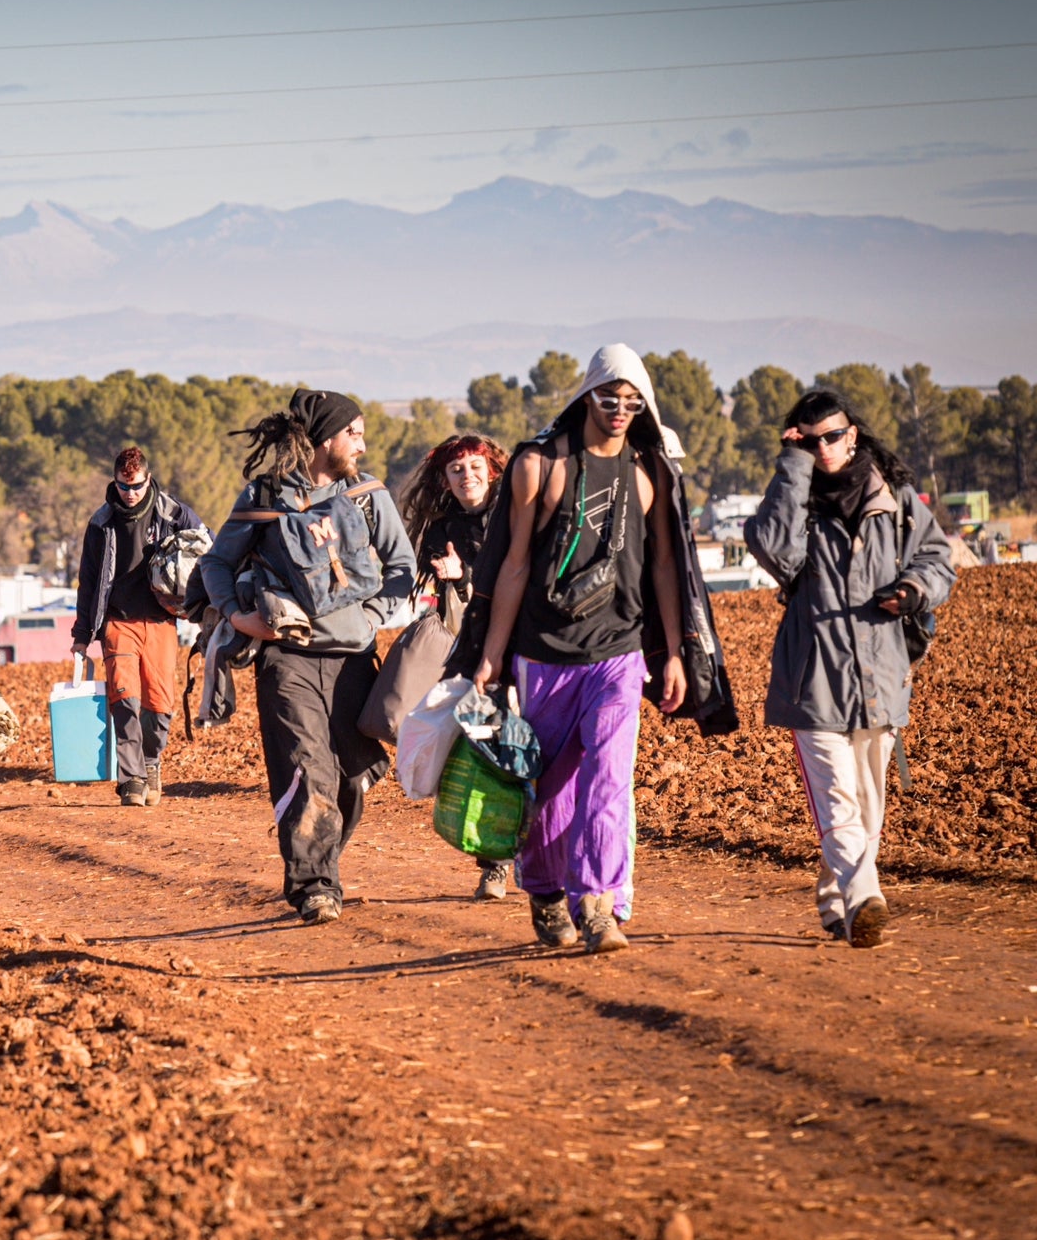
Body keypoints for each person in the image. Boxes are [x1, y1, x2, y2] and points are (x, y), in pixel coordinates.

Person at [449, 345, 737, 955]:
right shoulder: (539, 465)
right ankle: (548, 891)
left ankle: (600, 905)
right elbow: (514, 564)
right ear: (587, 396)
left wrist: (676, 653)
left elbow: (666, 566)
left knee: (607, 780)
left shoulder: (650, 471)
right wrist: (492, 656)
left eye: (632, 402)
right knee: (548, 786)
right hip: (543, 654)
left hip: (618, 653)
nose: (620, 410)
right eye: (610, 398)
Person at [744, 388, 954, 949]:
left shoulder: (897, 500)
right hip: (812, 680)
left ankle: (838, 903)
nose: (824, 447)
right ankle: (865, 899)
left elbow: (937, 560)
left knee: (866, 804)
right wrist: (791, 467)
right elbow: (771, 548)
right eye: (810, 441)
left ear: (852, 434)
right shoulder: (794, 499)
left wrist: (914, 589)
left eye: (833, 436)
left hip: (881, 677)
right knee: (837, 799)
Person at [199, 389, 416, 924]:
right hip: (287, 661)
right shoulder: (265, 496)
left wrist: (371, 618)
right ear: (326, 440)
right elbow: (215, 564)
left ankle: (322, 860)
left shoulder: (368, 496)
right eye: (354, 434)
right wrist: (235, 616)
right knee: (305, 768)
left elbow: (402, 566)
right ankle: (315, 885)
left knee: (348, 778)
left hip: (352, 659)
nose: (362, 445)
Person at [395, 433, 510, 898]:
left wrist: (469, 574)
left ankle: (533, 854)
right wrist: (453, 576)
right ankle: (496, 862)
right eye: (456, 469)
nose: (467, 476)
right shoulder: (443, 529)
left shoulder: (516, 513)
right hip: (475, 656)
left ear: (493, 469)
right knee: (486, 754)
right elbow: (442, 587)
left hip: (527, 647)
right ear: (444, 479)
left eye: (475, 466)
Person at [71, 446, 206, 807]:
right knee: (124, 696)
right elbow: (86, 579)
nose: (130, 494)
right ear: (114, 482)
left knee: (159, 704)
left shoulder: (174, 513)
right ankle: (130, 778)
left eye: (137, 486)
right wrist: (82, 635)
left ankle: (151, 762)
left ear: (148, 479)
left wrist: (207, 606)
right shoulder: (101, 523)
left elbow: (207, 549)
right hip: (118, 620)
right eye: (123, 487)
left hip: (162, 619)